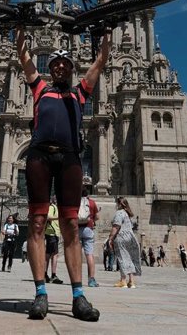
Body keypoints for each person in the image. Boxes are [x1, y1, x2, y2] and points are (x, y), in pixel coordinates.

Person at [16, 25, 111, 322]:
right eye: (54, 63)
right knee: (37, 221)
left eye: (64, 64)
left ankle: (78, 296)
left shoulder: (80, 93)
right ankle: (41, 293)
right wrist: (19, 31)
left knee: (71, 224)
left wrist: (106, 38)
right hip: (39, 156)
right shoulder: (40, 88)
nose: (58, 66)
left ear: (70, 69)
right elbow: (25, 59)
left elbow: (99, 63)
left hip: (70, 158)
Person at [107, 197, 141, 289]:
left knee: (122, 258)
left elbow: (116, 227)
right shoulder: (127, 214)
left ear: (119, 204)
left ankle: (123, 281)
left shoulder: (119, 213)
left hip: (121, 237)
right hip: (130, 237)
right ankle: (132, 281)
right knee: (129, 258)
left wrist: (110, 238)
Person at [78, 189, 100, 287]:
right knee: (89, 255)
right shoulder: (91, 202)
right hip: (88, 228)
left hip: (77, 229)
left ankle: (76, 279)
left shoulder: (76, 202)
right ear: (87, 194)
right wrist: (92, 219)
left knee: (76, 255)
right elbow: (97, 217)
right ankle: (91, 280)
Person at [44, 197, 64, 284]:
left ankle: (48, 275)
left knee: (51, 254)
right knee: (52, 255)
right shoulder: (52, 207)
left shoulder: (56, 208)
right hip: (52, 233)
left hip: (54, 233)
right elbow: (48, 217)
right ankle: (50, 275)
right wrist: (59, 218)